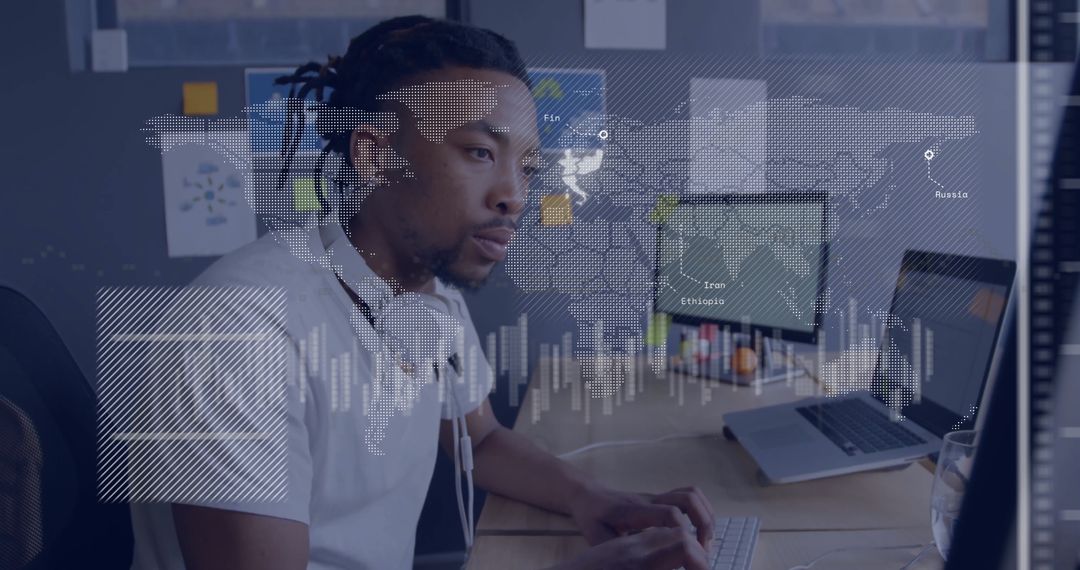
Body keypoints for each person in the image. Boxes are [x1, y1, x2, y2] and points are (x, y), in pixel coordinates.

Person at [130, 15, 716, 570]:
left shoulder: (425, 292)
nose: (514, 195)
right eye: (481, 153)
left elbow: (478, 438)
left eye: (529, 167)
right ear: (377, 155)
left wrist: (598, 499)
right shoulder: (237, 331)